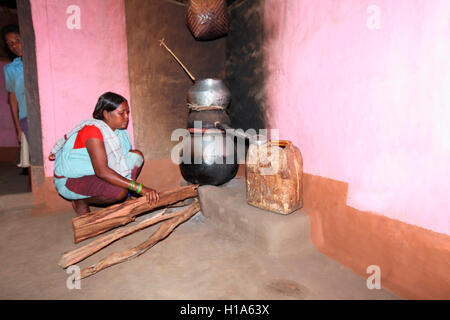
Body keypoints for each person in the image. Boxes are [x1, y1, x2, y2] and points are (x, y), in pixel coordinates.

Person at [49, 92, 159, 215]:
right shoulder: (92, 131)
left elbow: (120, 161)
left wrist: (132, 188)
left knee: (136, 156)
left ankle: (126, 196)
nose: (126, 117)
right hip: (72, 180)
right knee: (118, 191)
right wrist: (140, 188)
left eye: (127, 112)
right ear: (106, 114)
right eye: (121, 113)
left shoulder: (118, 132)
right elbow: (102, 172)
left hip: (96, 174)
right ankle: (81, 201)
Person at [2, 24, 28, 144]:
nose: (14, 46)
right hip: (26, 118)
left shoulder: (41, 59)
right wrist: (18, 128)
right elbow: (13, 98)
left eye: (17, 40)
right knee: (36, 157)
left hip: (47, 114)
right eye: (10, 44)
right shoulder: (10, 69)